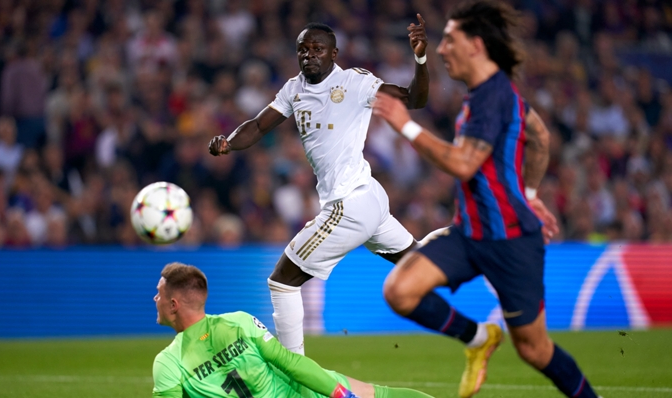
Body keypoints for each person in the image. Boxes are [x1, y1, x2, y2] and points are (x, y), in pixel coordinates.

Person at [371, 1, 600, 398]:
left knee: (534, 350)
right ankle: (479, 338)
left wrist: (405, 125)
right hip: (468, 235)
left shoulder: (493, 96)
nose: (441, 49)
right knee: (399, 290)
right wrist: (529, 193)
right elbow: (540, 136)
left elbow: (463, 163)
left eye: (449, 40)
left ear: (476, 45)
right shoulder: (487, 95)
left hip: (512, 242)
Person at [208, 18, 429, 355]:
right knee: (424, 265)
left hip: (350, 203)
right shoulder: (293, 88)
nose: (309, 55)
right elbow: (257, 126)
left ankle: (293, 371)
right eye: (303, 49)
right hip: (367, 199)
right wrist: (229, 142)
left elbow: (414, 99)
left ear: (333, 54)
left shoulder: (355, 83)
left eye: (317, 49)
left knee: (282, 281)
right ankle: (479, 310)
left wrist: (420, 60)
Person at [152, 262, 435, 398]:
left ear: (174, 304)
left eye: (159, 294)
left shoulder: (169, 362)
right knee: (380, 395)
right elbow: (289, 363)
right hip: (304, 392)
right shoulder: (238, 321)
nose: (155, 299)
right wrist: (340, 393)